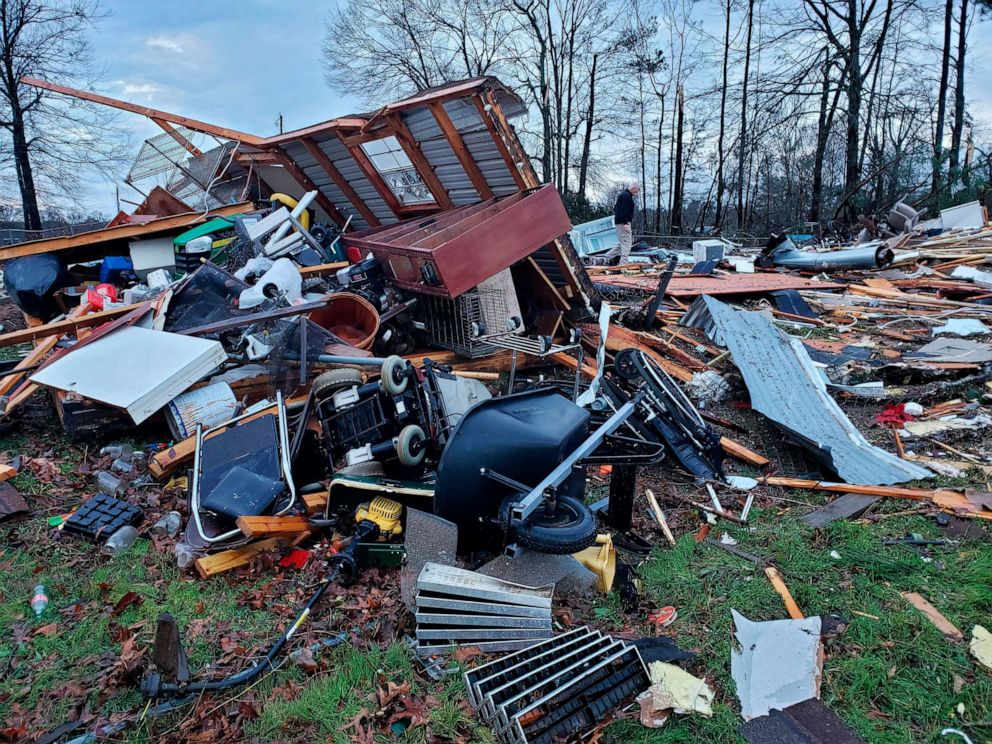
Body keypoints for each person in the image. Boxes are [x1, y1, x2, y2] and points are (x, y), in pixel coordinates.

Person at [608, 183, 640, 265]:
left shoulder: (623, 195)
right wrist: (625, 222)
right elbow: (623, 211)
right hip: (623, 223)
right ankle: (623, 264)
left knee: (622, 243)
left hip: (620, 222)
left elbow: (616, 209)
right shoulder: (627, 197)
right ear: (633, 188)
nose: (636, 193)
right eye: (636, 191)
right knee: (627, 244)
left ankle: (608, 256)